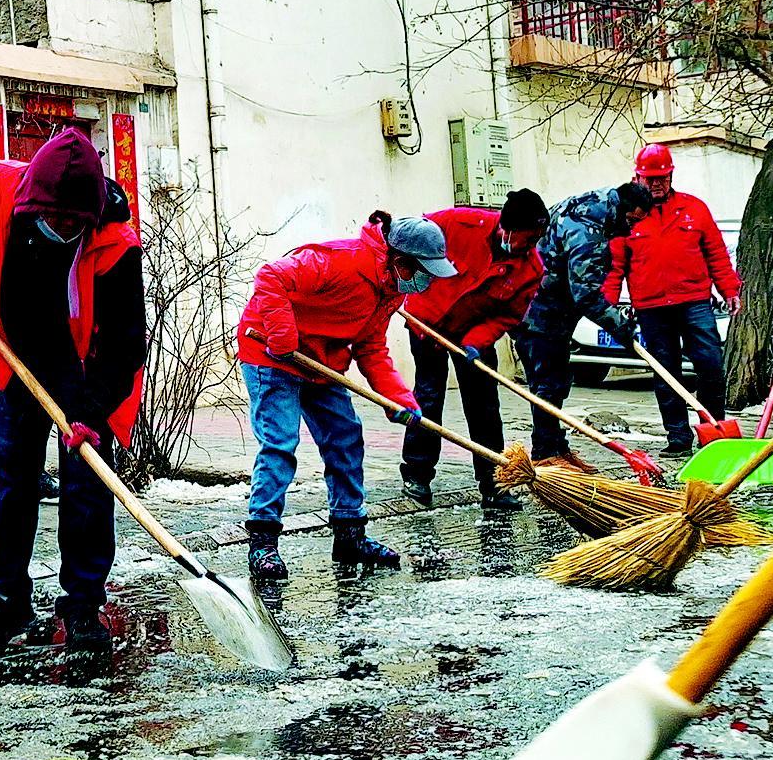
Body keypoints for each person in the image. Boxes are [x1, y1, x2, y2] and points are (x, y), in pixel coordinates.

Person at [0, 128, 145, 664]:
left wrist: (90, 412)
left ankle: (82, 603)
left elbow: (126, 344)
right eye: (55, 218)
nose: (64, 228)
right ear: (34, 202)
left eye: (76, 223)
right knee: (12, 481)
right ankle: (9, 596)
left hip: (87, 366)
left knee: (88, 484)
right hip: (17, 352)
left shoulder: (116, 244)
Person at [236, 214, 445, 580]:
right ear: (401, 260)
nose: (427, 280)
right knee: (280, 444)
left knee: (346, 439)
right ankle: (263, 541)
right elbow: (272, 276)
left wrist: (397, 397)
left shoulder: (390, 291)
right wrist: (283, 337)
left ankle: (350, 534)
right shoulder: (340, 261)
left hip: (322, 361)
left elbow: (370, 347)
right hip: (271, 352)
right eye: (424, 271)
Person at [397, 189, 550, 510]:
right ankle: (417, 474)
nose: (530, 247)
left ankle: (493, 484)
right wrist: (408, 288)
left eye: (536, 239)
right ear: (507, 228)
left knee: (484, 406)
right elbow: (411, 242)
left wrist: (478, 340)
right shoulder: (457, 224)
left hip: (471, 334)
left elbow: (508, 315)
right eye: (526, 238)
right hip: (427, 320)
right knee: (428, 396)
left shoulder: (531, 269)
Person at [604, 144, 739, 455]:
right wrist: (607, 308)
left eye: (662, 177)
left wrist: (729, 289)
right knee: (666, 373)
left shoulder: (695, 209)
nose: (656, 183)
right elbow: (615, 268)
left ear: (671, 175)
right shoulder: (627, 217)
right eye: (650, 178)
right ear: (637, 177)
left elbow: (716, 253)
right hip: (652, 309)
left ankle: (713, 429)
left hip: (694, 302)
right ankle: (678, 439)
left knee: (710, 364)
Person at [514, 181, 652, 459]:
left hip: (549, 309)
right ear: (622, 208)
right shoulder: (587, 229)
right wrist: (621, 327)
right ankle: (545, 457)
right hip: (538, 313)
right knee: (547, 386)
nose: (632, 228)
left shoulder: (595, 201)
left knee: (555, 382)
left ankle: (556, 447)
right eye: (632, 220)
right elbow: (586, 294)